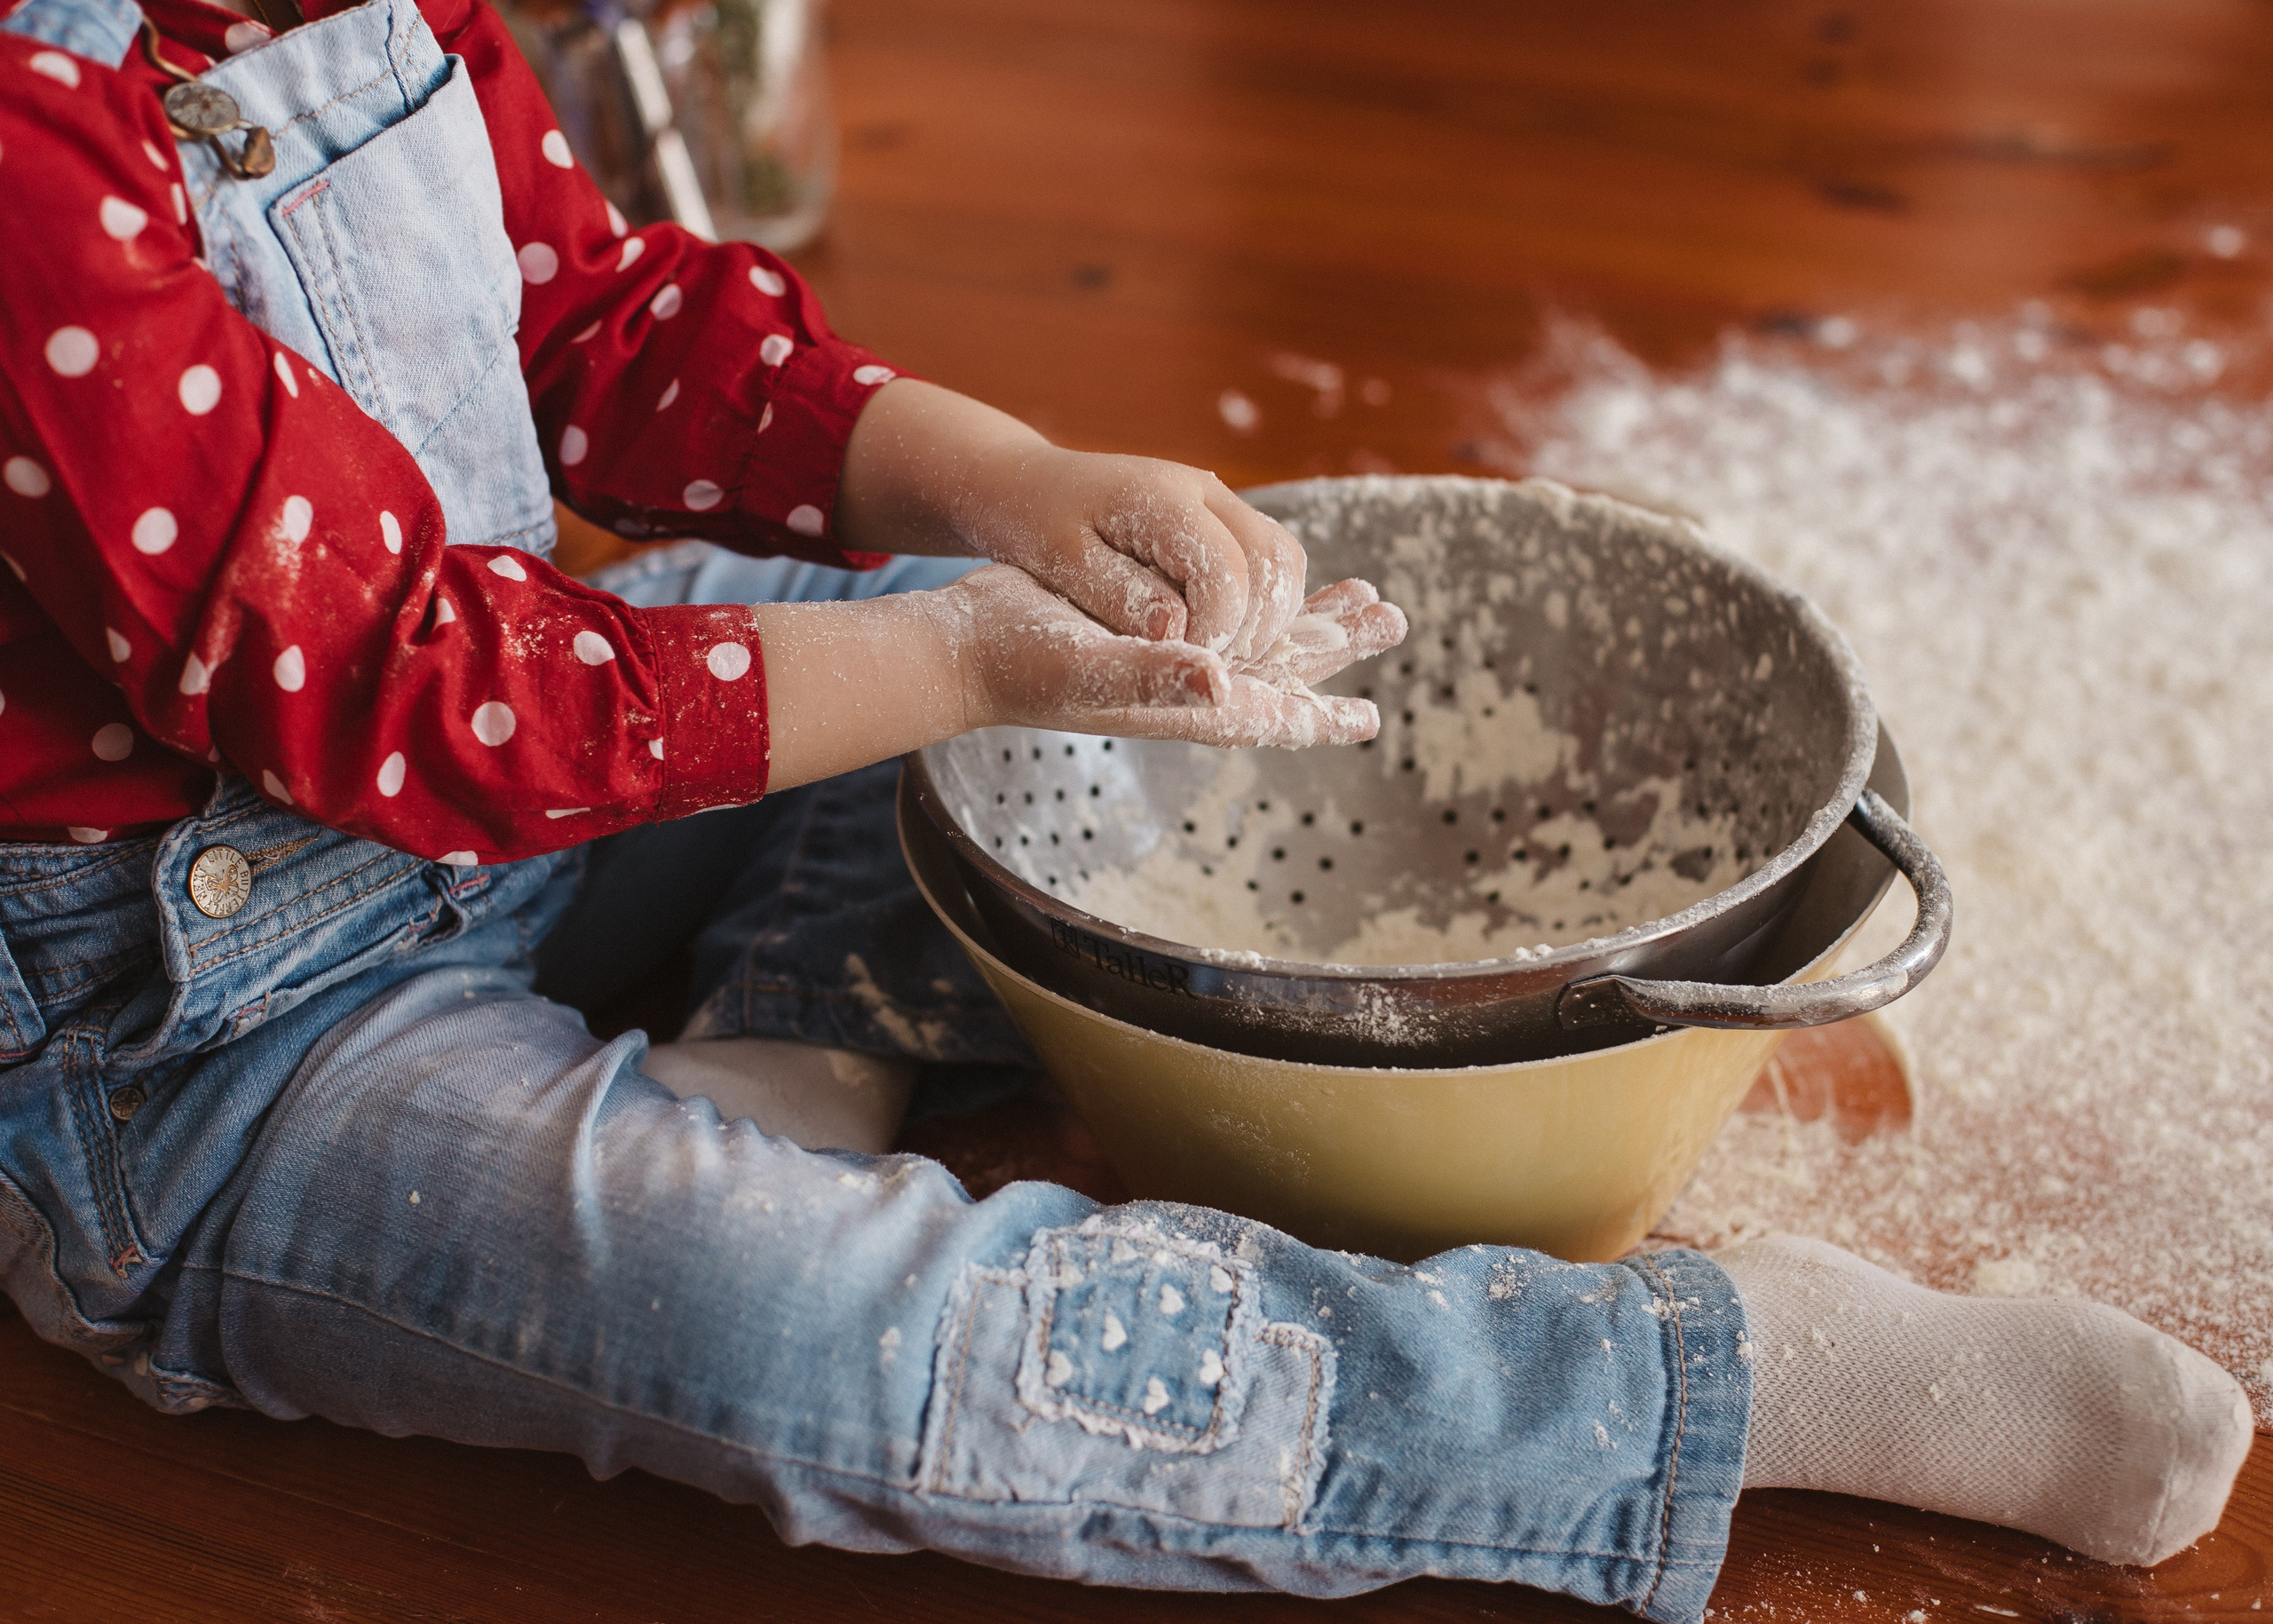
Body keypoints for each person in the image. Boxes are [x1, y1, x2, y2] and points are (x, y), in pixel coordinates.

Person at [0, 0, 2253, 1617]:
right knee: (832, 1346)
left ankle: (798, 1045)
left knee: (913, 609)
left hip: (509, 777)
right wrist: (965, 662)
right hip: (210, 1031)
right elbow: (399, 691)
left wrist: (1006, 483)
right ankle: (1723, 1381)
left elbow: (607, 326)